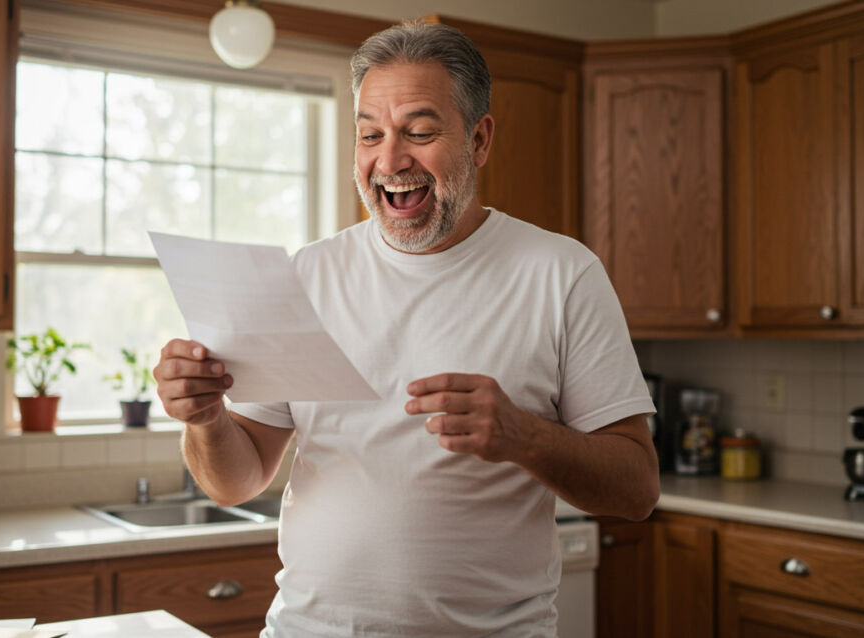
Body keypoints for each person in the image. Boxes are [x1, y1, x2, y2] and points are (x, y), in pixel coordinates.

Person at [154, 20, 659, 638]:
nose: (390, 160)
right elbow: (237, 479)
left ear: (478, 139)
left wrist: (525, 436)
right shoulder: (307, 274)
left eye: (420, 132)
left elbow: (636, 489)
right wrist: (205, 419)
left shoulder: (562, 273)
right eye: (370, 134)